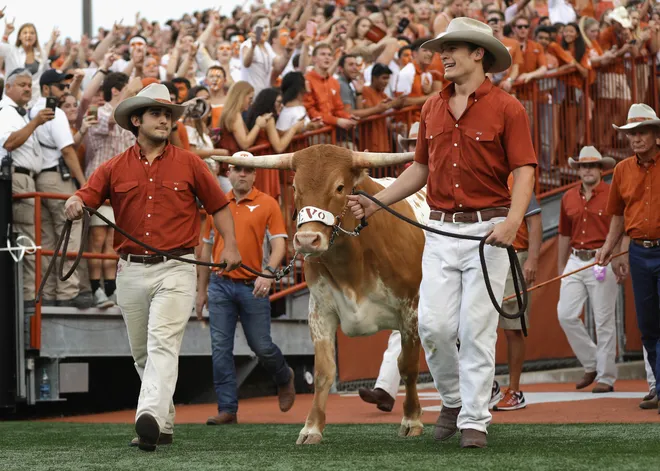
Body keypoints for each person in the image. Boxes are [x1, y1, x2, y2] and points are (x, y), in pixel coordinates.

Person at [348, 18, 536, 448]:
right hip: (438, 230)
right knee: (431, 326)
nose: (444, 55)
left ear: (479, 55)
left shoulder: (508, 107)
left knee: (475, 330)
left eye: (455, 47)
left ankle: (474, 420)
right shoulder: (431, 107)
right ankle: (452, 400)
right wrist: (376, 201)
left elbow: (525, 170)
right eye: (442, 48)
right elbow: (420, 169)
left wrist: (512, 222)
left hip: (489, 232)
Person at [64, 83, 242, 451]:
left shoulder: (190, 163)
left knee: (162, 344)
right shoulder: (113, 167)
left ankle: (146, 417)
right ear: (136, 120)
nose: (165, 120)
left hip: (177, 266)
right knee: (143, 353)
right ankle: (164, 423)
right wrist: (74, 201)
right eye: (157, 114)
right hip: (129, 270)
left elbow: (219, 206)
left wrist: (233, 246)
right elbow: (87, 195)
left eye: (168, 115)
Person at [196, 159, 296, 425]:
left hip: (253, 285)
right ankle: (227, 409)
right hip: (219, 284)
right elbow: (206, 248)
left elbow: (279, 246)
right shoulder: (215, 203)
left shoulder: (268, 203)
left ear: (255, 175)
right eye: (237, 169)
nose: (242, 173)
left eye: (248, 169)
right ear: (227, 173)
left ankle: (284, 376)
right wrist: (200, 290)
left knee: (262, 347)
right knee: (220, 349)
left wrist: (268, 273)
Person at [597, 103, 660, 410]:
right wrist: (611, 248)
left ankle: (659, 387)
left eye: (642, 132)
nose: (636, 138)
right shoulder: (622, 170)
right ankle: (658, 385)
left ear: (656, 135)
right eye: (632, 133)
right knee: (648, 325)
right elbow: (617, 217)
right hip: (638, 251)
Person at [358, 121, 421, 412]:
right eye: (409, 144)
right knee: (407, 323)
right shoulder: (400, 183)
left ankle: (484, 388)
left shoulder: (442, 175)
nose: (412, 149)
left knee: (455, 328)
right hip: (412, 262)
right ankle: (385, 388)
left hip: (445, 252)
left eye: (417, 143)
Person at [557, 146, 619, 393]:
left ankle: (606, 376)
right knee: (565, 314)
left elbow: (621, 226)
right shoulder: (568, 197)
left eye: (592, 166)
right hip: (574, 259)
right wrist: (562, 267)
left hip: (601, 259)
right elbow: (563, 233)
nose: (588, 170)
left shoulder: (612, 193)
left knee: (604, 320)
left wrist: (615, 257)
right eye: (583, 166)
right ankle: (592, 362)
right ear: (578, 170)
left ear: (601, 169)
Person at [0, 68, 54, 307]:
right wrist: (34, 122)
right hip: (18, 178)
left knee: (31, 240)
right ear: (8, 87)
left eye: (28, 85)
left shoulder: (18, 114)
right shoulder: (6, 112)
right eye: (21, 84)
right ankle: (28, 302)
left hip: (27, 177)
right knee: (26, 241)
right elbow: (9, 143)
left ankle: (30, 297)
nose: (26, 88)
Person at [491, 176, 542, 411]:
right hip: (486, 257)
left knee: (513, 328)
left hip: (515, 255)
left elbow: (535, 220)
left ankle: (514, 389)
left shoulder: (518, 179)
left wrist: (532, 258)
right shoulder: (479, 174)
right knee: (477, 325)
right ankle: (487, 385)